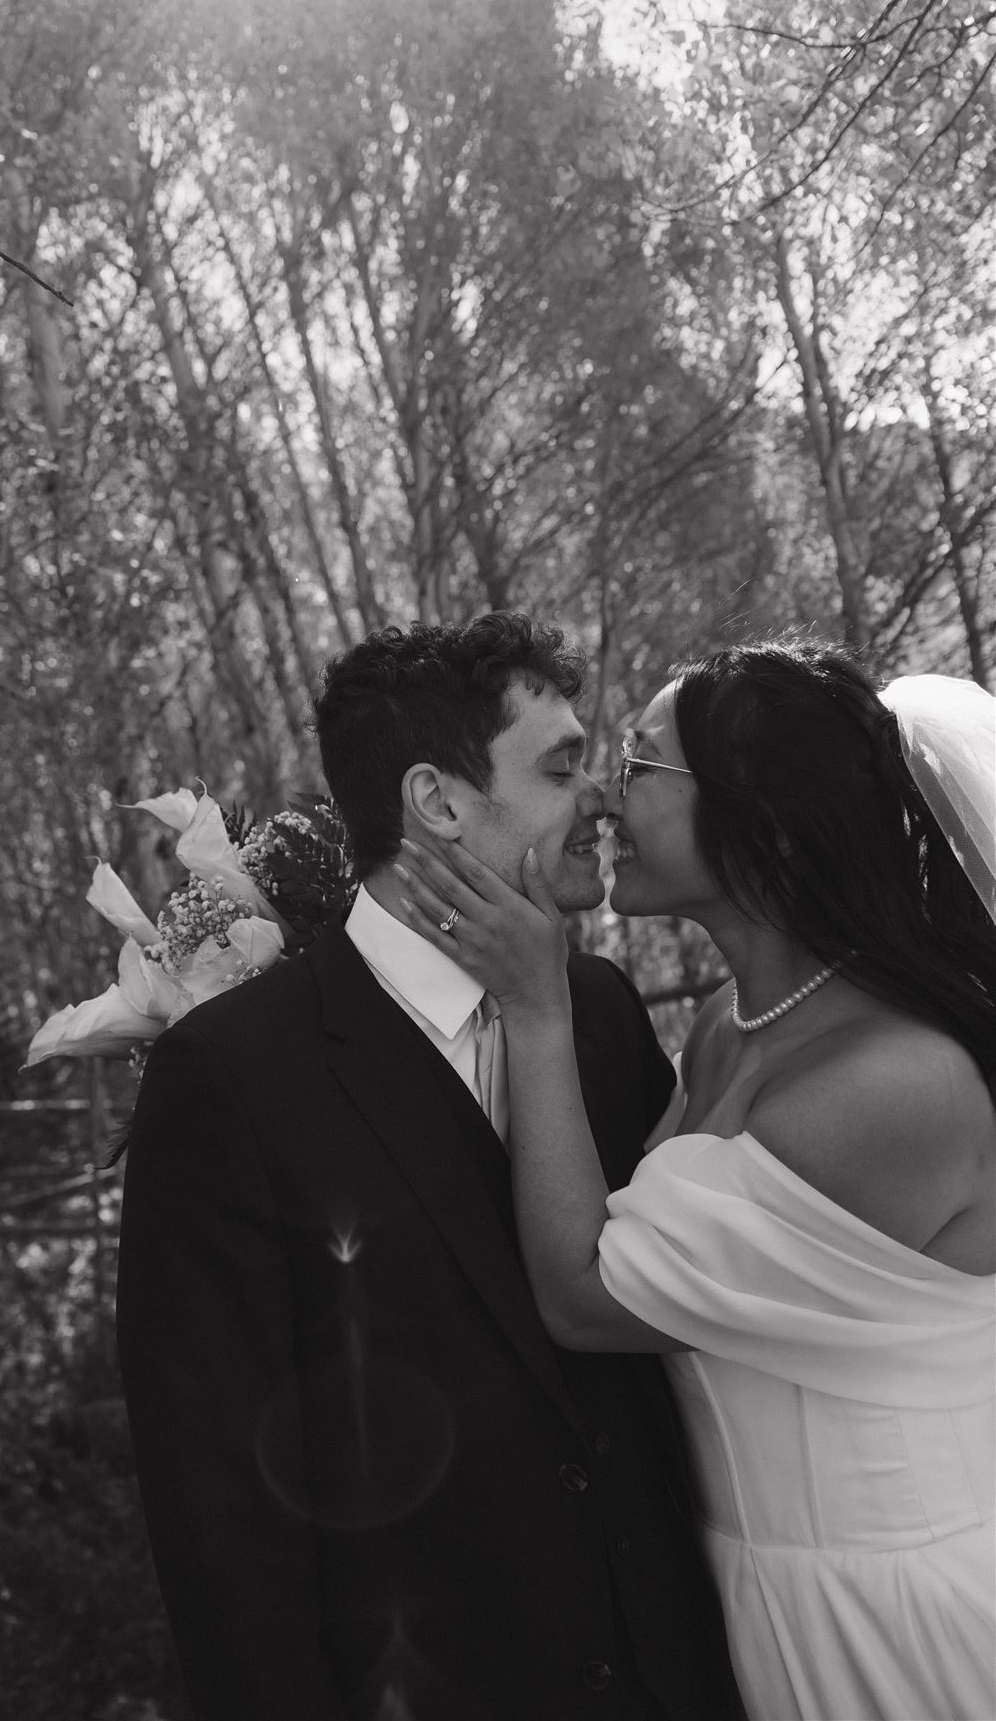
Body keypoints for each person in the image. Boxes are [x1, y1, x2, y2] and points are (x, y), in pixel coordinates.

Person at [115, 613, 742, 1721]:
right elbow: (218, 1514)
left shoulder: (597, 1014)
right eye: (561, 765)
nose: (601, 796)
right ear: (437, 801)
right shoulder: (231, 1077)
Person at [395, 641, 996, 1721]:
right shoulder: (732, 1022)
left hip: (906, 1611)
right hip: (768, 1587)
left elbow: (585, 1292)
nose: (609, 794)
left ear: (756, 815)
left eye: (642, 762)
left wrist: (536, 1010)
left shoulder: (889, 1082)